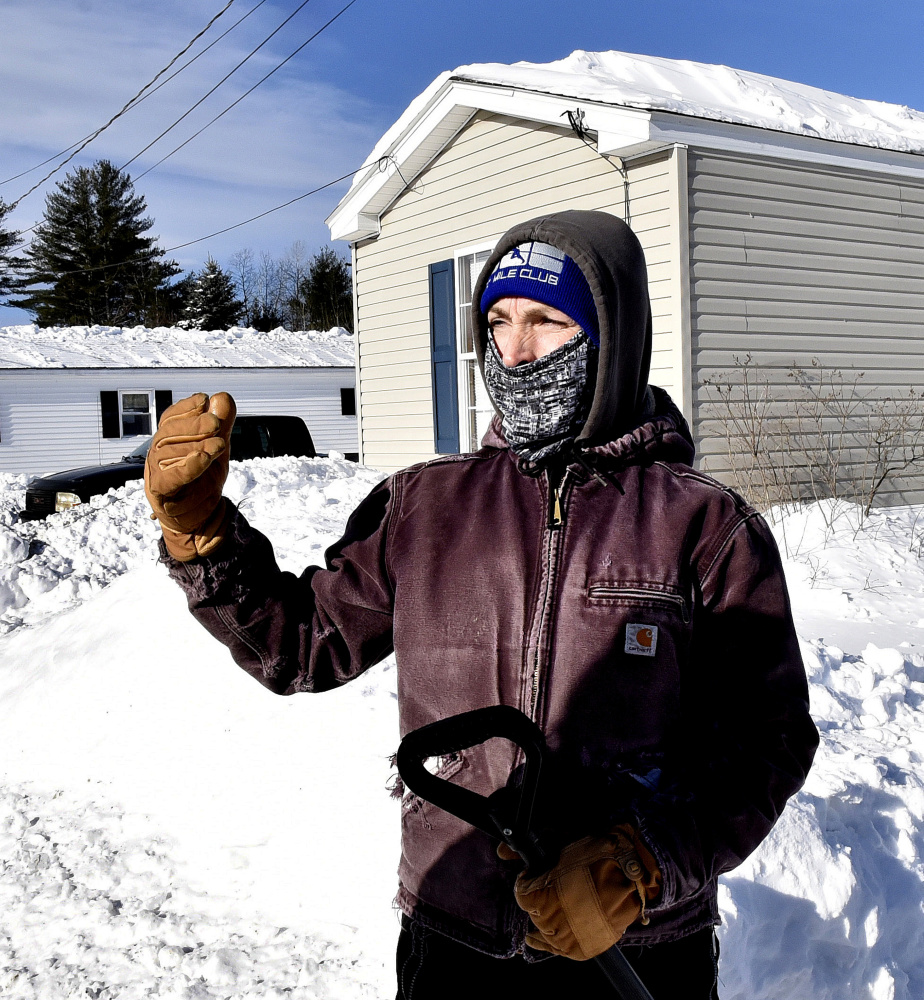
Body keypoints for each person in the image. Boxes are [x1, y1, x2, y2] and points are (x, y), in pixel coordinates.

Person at [145, 210, 818, 999]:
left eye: (546, 320)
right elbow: (304, 646)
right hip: (453, 932)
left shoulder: (703, 524)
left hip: (632, 947)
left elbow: (767, 739)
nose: (517, 349)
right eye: (498, 321)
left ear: (616, 336)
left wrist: (645, 860)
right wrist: (205, 543)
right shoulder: (425, 507)